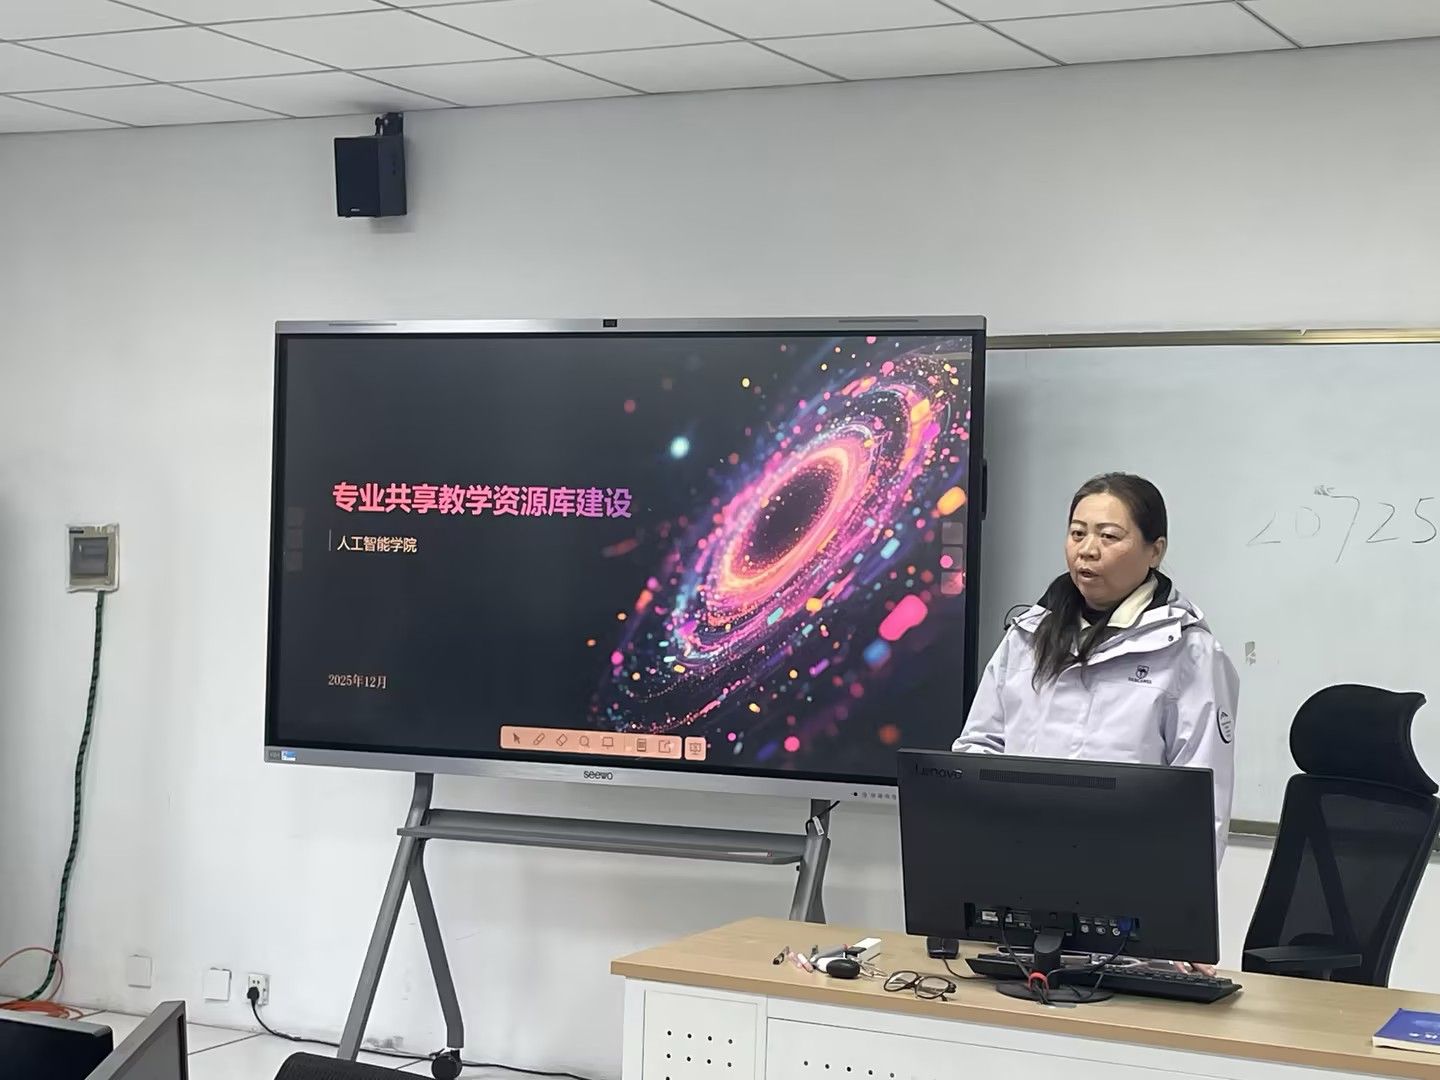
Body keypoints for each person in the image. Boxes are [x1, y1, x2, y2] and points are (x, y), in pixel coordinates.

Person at [955, 473, 1239, 867]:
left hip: (1127, 872)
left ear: (1155, 551)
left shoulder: (1188, 651)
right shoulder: (1026, 636)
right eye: (1077, 534)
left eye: (1108, 536)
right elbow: (977, 751)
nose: (1087, 551)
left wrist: (1176, 889)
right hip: (1018, 860)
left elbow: (1201, 799)